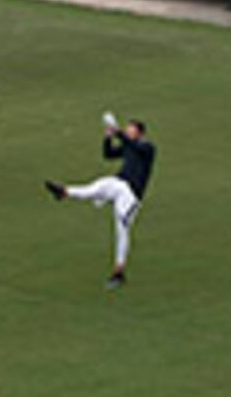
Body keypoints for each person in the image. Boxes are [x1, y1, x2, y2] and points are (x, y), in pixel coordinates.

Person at [46, 113, 156, 287]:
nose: (128, 132)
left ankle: (119, 271)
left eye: (131, 130)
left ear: (140, 133)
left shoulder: (148, 148)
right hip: (119, 184)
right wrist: (108, 138)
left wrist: (118, 132)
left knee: (121, 229)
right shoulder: (130, 146)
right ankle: (64, 192)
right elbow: (109, 155)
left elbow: (134, 147)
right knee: (96, 187)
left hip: (131, 194)